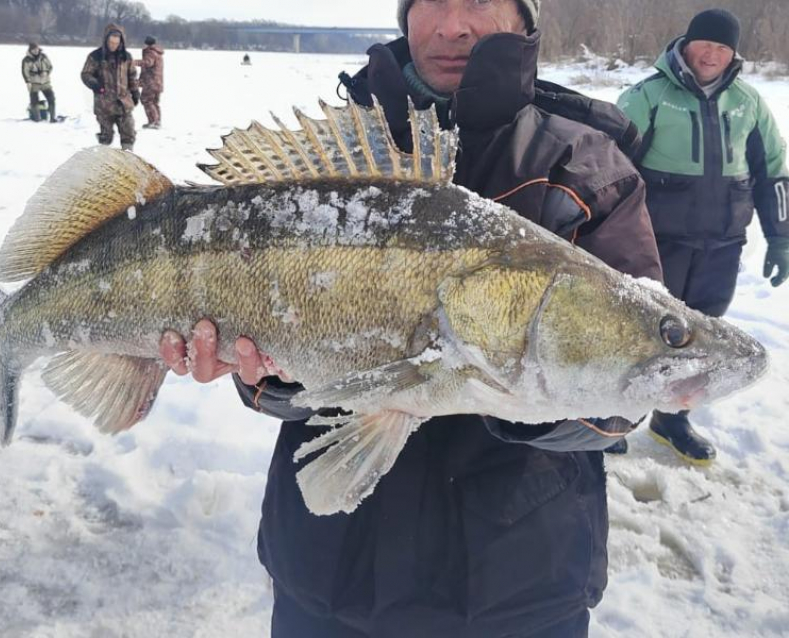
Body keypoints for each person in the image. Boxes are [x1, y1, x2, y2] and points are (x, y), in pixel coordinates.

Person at [159, 0, 663, 636]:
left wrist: (513, 383)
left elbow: (627, 390)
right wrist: (271, 378)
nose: (453, 24)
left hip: (520, 586)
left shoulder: (583, 169)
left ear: (523, 16)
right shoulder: (333, 157)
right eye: (431, 1)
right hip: (330, 573)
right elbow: (268, 379)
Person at [617, 8, 789, 465]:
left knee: (701, 339)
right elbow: (608, 169)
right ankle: (612, 416)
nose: (712, 55)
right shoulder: (648, 96)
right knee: (638, 333)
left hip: (722, 244)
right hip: (655, 245)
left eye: (723, 47)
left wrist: (781, 238)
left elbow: (773, 172)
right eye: (705, 44)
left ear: (733, 53)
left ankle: (671, 420)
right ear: (686, 44)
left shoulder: (749, 102)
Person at [81, 23, 139, 151]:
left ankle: (128, 159)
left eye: (116, 43)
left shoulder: (126, 57)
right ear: (106, 40)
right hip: (104, 104)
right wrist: (96, 85)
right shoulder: (95, 56)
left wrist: (135, 92)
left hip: (123, 103)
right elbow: (85, 74)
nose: (113, 46)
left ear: (121, 42)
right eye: (111, 43)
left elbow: (132, 76)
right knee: (106, 137)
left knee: (128, 134)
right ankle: (103, 160)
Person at [22, 42, 56, 123]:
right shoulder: (26, 60)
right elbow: (25, 72)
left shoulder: (44, 56)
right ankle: (37, 119)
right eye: (34, 49)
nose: (36, 51)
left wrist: (46, 72)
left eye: (37, 49)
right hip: (34, 84)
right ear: (30, 50)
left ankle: (52, 118)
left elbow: (50, 66)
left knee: (51, 99)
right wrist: (28, 82)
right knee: (34, 101)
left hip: (46, 83)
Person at [135, 35, 164, 129]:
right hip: (158, 82)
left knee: (146, 100)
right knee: (154, 102)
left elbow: (148, 63)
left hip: (150, 82)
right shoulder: (158, 52)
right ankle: (157, 121)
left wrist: (133, 62)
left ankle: (153, 122)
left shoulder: (150, 52)